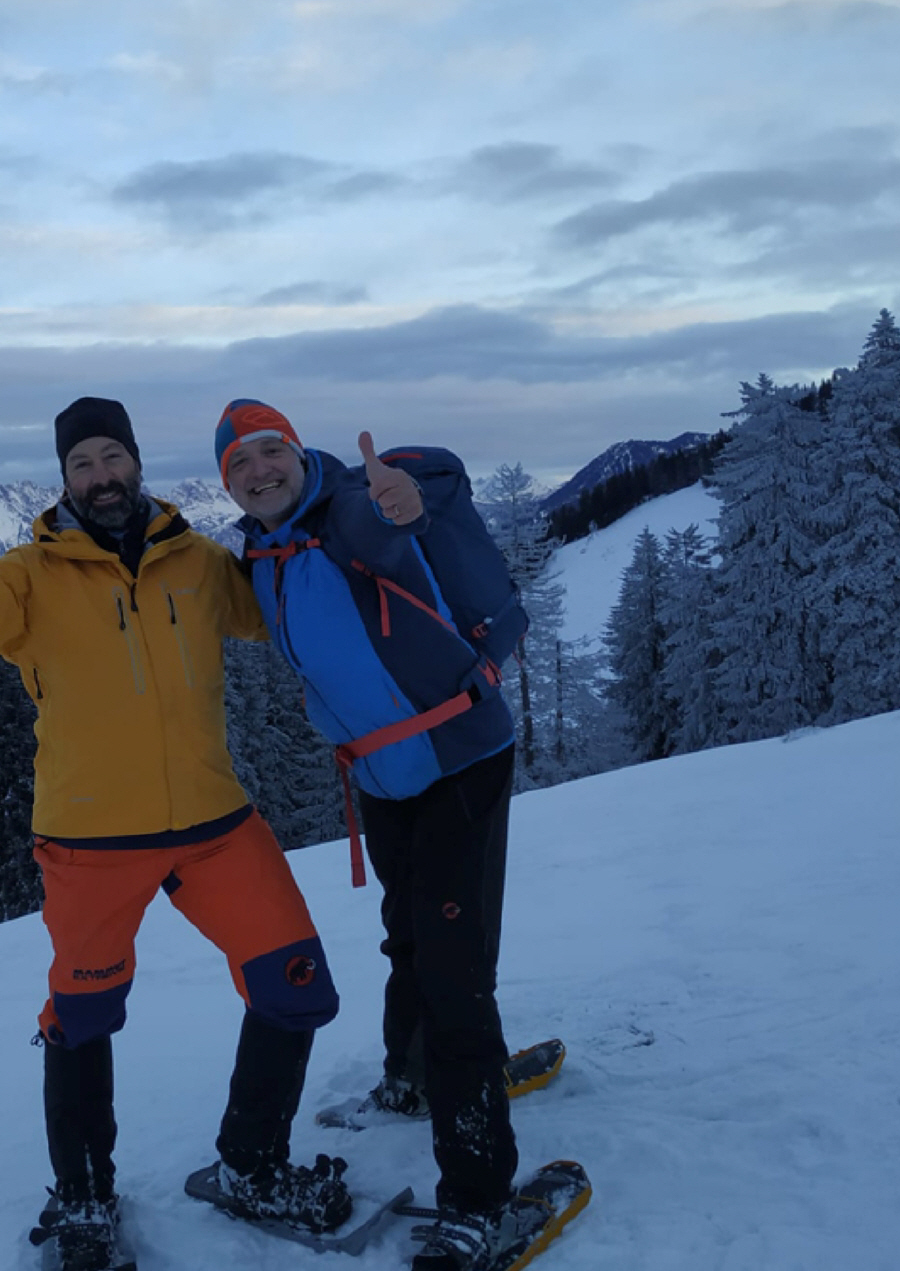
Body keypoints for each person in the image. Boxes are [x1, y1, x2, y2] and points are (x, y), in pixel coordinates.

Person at [0, 397, 352, 1271]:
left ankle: (252, 1166)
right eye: (82, 464)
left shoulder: (196, 561)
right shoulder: (30, 576)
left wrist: (351, 541)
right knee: (83, 1016)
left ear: (135, 462)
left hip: (216, 825)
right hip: (92, 840)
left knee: (295, 985)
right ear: (64, 478)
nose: (101, 476)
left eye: (112, 457)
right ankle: (84, 1198)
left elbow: (275, 608)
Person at [216, 398, 577, 1271]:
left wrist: (399, 505)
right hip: (383, 776)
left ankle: (479, 1202)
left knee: (456, 976)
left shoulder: (347, 511)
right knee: (408, 935)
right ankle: (414, 1079)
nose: (259, 470)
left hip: (458, 759)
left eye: (270, 450)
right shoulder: (262, 552)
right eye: (239, 463)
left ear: (297, 452)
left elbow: (389, 527)